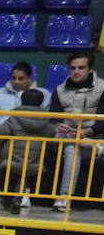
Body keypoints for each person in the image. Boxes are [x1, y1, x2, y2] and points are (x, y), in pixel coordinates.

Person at [48, 50, 104, 213]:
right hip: (67, 137)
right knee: (73, 147)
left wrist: (86, 132)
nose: (76, 71)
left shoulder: (102, 88)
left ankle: (97, 147)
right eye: (73, 68)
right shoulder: (59, 90)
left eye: (81, 68)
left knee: (75, 146)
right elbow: (53, 118)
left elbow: (102, 120)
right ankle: (65, 198)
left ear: (90, 69)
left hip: (94, 135)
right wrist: (59, 126)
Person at [0, 87, 52, 215]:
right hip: (34, 160)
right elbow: (52, 134)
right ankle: (17, 200)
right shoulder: (45, 120)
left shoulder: (14, 118)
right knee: (23, 175)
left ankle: (6, 199)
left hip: (12, 157)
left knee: (11, 174)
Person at [0, 62, 37, 129]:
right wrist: (11, 126)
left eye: (21, 79)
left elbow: (43, 121)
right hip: (3, 134)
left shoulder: (43, 94)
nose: (16, 82)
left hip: (29, 135)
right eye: (13, 78)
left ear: (29, 78)